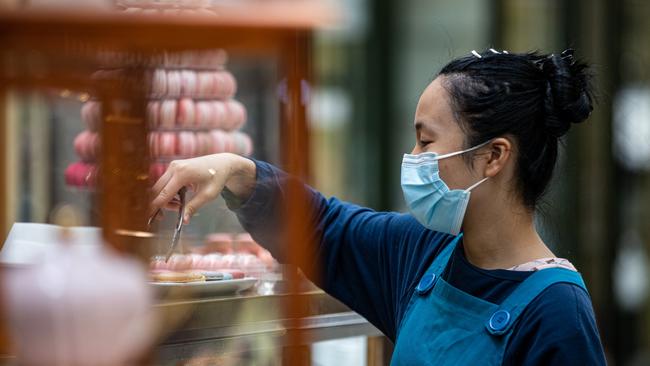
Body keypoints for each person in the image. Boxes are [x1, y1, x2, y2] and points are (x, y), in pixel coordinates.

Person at [150, 48, 607, 365]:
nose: (412, 157)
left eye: (426, 140)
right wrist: (238, 171)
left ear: (493, 157)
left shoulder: (556, 311)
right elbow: (323, 226)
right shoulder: (426, 254)